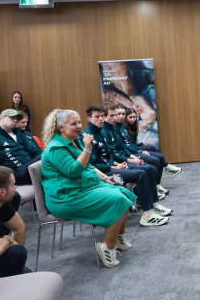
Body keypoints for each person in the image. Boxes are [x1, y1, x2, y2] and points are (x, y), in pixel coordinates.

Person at [41, 109, 136, 268]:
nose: (79, 126)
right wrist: (87, 149)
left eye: (79, 122)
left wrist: (106, 178)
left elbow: (89, 166)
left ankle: (118, 236)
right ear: (61, 127)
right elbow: (73, 171)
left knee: (124, 193)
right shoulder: (56, 148)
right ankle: (107, 248)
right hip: (67, 197)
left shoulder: (75, 141)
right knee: (118, 200)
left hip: (83, 188)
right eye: (74, 123)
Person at [84, 104, 170, 226]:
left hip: (113, 168)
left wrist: (119, 165)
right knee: (141, 174)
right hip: (106, 176)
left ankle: (153, 205)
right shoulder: (88, 136)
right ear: (89, 119)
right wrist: (116, 166)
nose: (101, 119)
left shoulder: (101, 132)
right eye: (97, 117)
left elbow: (109, 156)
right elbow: (93, 166)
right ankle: (147, 215)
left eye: (102, 116)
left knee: (149, 169)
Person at [101, 103, 169, 196]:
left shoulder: (118, 127)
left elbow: (125, 145)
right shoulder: (108, 130)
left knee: (153, 158)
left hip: (124, 157)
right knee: (151, 165)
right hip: (119, 161)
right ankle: (146, 194)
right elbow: (112, 154)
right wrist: (132, 158)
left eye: (122, 114)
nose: (119, 117)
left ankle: (153, 189)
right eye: (116, 114)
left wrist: (134, 155)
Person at [122, 106, 181, 174]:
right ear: (125, 117)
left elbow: (131, 143)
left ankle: (167, 167)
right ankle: (167, 168)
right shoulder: (123, 128)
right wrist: (141, 151)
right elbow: (127, 146)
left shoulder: (133, 126)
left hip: (133, 148)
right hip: (130, 152)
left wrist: (141, 144)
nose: (132, 119)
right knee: (159, 158)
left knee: (151, 147)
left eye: (134, 117)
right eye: (130, 117)